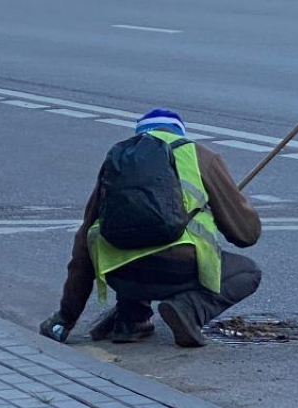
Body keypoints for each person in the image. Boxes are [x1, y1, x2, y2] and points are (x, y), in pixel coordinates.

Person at [40, 109, 262, 347]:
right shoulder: (200, 156)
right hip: (179, 269)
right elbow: (246, 235)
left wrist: (65, 318)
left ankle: (130, 320)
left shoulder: (119, 160)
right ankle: (188, 309)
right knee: (248, 272)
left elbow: (84, 241)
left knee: (135, 236)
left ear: (139, 135)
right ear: (180, 133)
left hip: (120, 274)